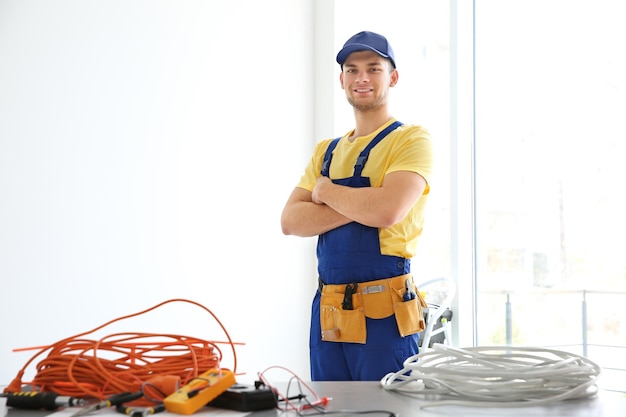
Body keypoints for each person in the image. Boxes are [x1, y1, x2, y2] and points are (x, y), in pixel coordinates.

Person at [280, 31, 433, 381]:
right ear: (342, 80)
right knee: (332, 407)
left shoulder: (411, 139)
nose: (361, 78)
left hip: (386, 311)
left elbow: (387, 211)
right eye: (352, 70)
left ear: (392, 77)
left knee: (387, 406)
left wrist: (324, 190)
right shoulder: (326, 151)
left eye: (373, 68)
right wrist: (365, 202)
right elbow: (291, 221)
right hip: (329, 310)